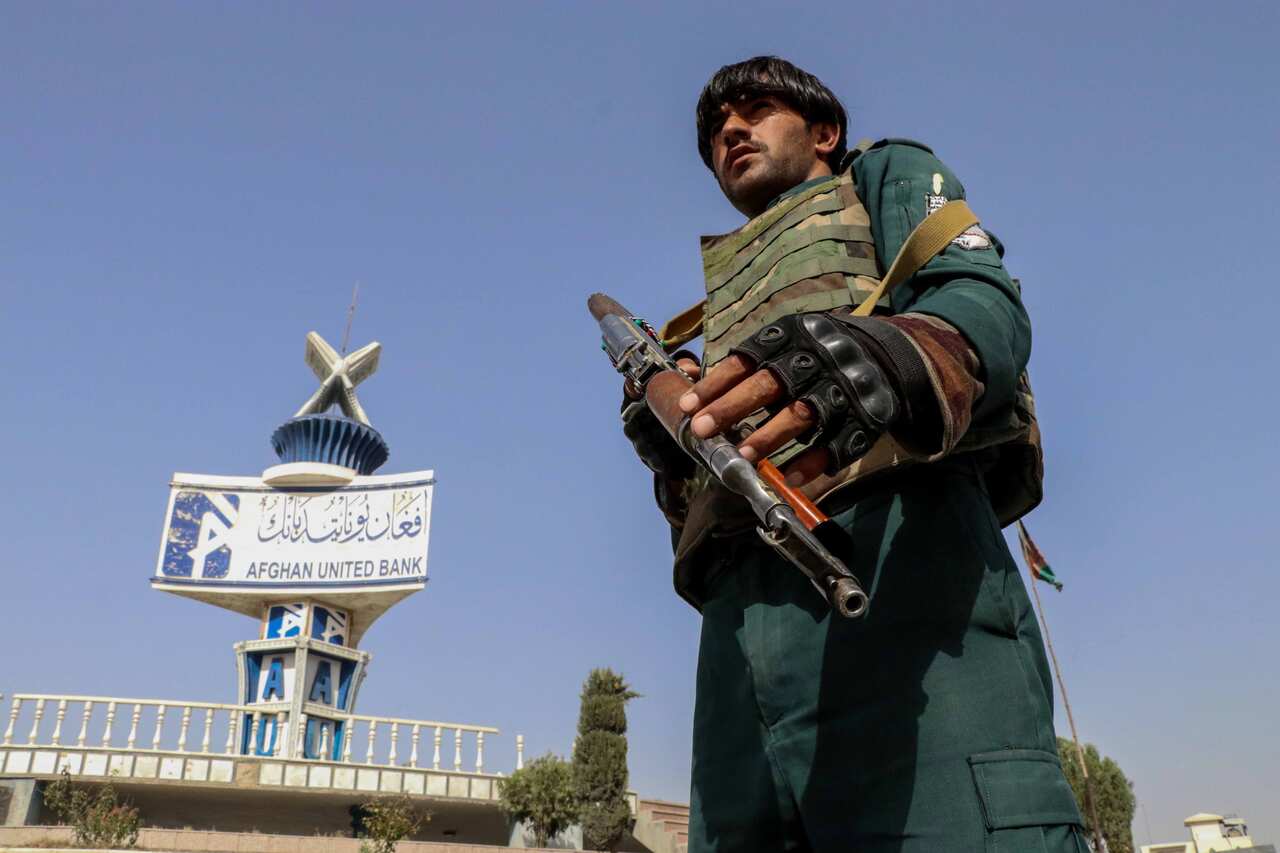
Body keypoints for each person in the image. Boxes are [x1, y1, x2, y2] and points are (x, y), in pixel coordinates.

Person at [621, 57, 1089, 852]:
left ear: (825, 131)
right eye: (713, 131)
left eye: (757, 109)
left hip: (908, 587)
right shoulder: (724, 296)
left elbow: (981, 302)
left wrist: (890, 355)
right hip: (741, 642)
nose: (729, 130)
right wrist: (678, 448)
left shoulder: (883, 175)